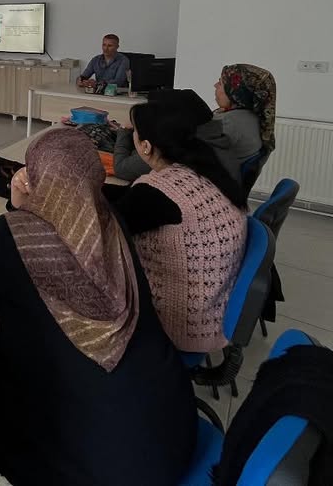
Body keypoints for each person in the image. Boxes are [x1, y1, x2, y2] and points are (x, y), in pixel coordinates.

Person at [0, 128, 196, 486]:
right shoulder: (111, 221)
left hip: (105, 467)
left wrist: (14, 210)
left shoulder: (20, 237)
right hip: (172, 431)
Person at [114, 99, 248, 353]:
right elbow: (128, 204)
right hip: (214, 307)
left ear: (145, 146)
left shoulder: (158, 193)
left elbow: (102, 233)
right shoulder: (204, 169)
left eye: (134, 131)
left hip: (176, 324)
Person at [110, 86, 262, 184]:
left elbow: (121, 169)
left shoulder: (171, 150)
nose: (215, 85)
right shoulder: (212, 138)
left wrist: (124, 129)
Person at [216, 63, 277, 159]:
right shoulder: (254, 118)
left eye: (220, 83)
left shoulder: (230, 121)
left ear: (235, 91)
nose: (215, 86)